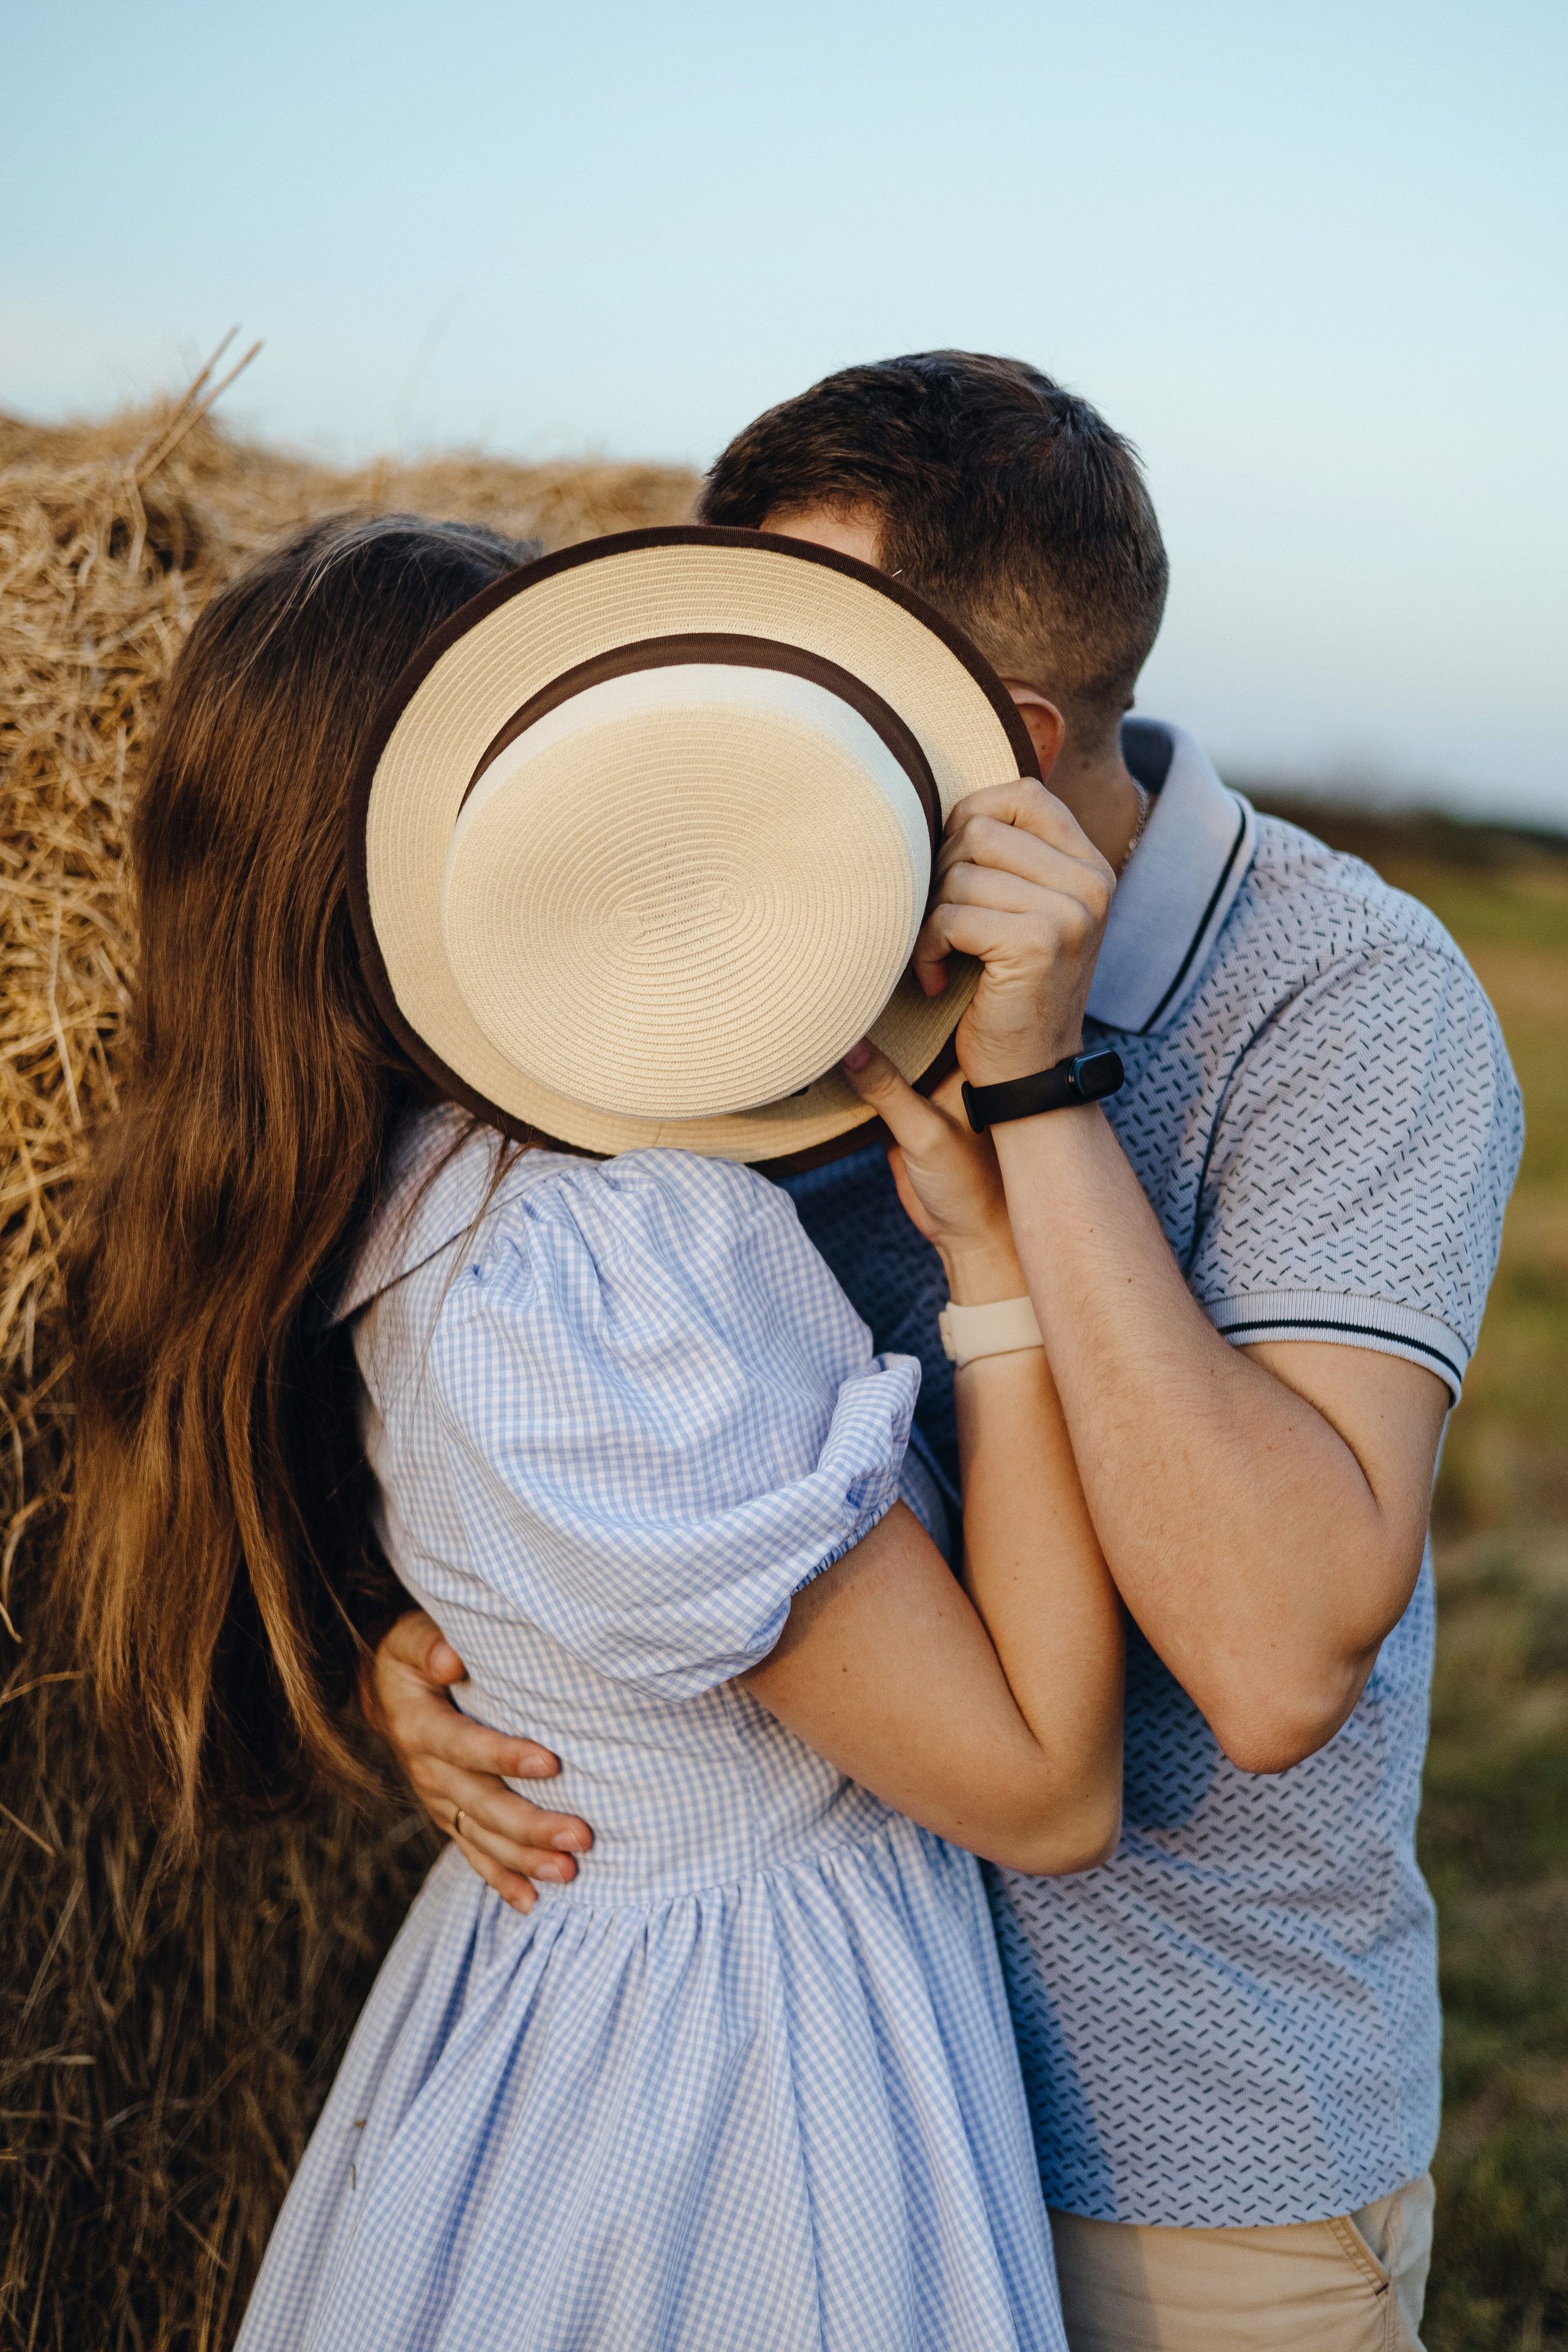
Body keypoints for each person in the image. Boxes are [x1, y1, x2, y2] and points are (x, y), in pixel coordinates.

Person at [374, 353, 1524, 2349]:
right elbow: (606, 1397)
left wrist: (1040, 1094)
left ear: (996, 739)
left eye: (803, 678)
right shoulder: (761, 950)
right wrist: (444, 1651)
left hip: (1161, 2171)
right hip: (804, 2128)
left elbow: (1271, 1664)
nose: (733, 735)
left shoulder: (1350, 1000)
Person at [65, 508, 1134, 2351]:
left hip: (567, 1997)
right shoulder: (604, 1255)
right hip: (755, 2075)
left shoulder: (370, 1200)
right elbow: (1045, 1789)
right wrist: (997, 1271)